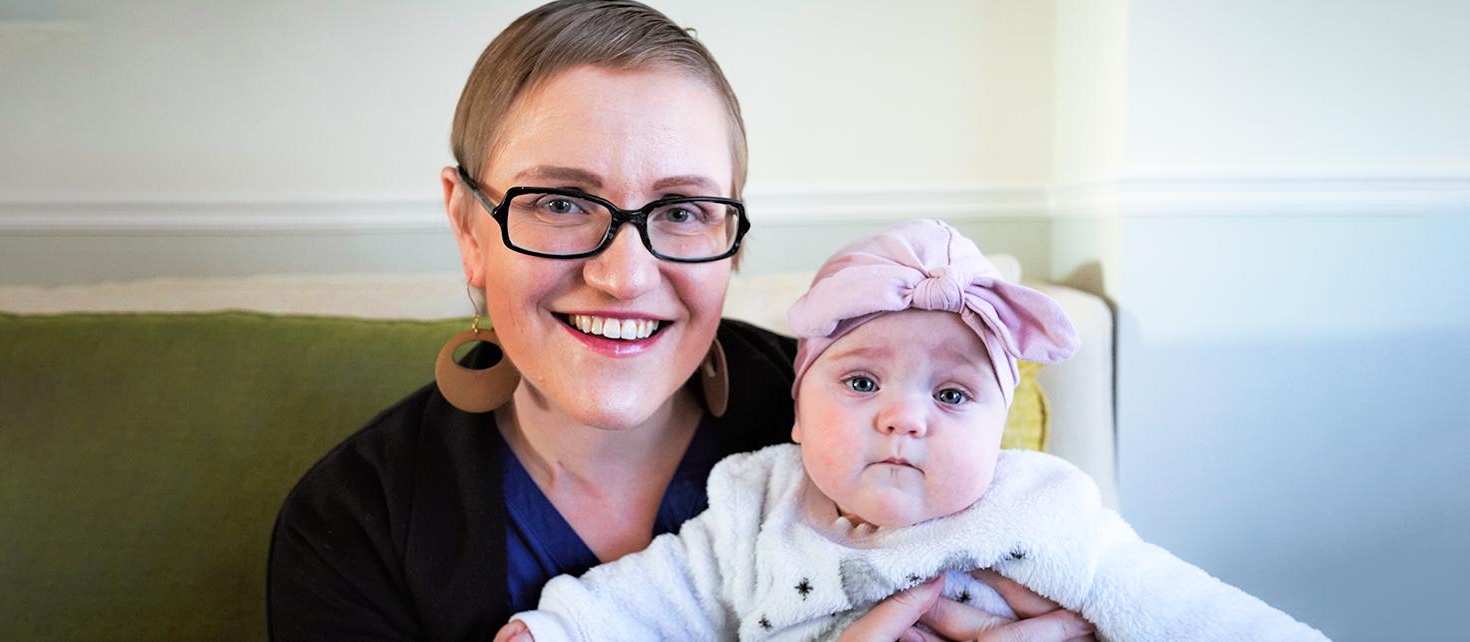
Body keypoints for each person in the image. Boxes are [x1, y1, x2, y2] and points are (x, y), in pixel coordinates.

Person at [268, 2, 1092, 640]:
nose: (623, 275)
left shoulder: (877, 420)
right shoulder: (354, 522)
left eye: (685, 209)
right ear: (466, 225)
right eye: (559, 202)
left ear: (730, 236)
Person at [494, 220, 1330, 642]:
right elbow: (656, 598)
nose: (904, 416)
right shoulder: (755, 502)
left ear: (1002, 430)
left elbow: (1171, 603)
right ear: (798, 407)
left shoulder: (1035, 508)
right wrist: (559, 629)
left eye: (956, 396)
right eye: (861, 381)